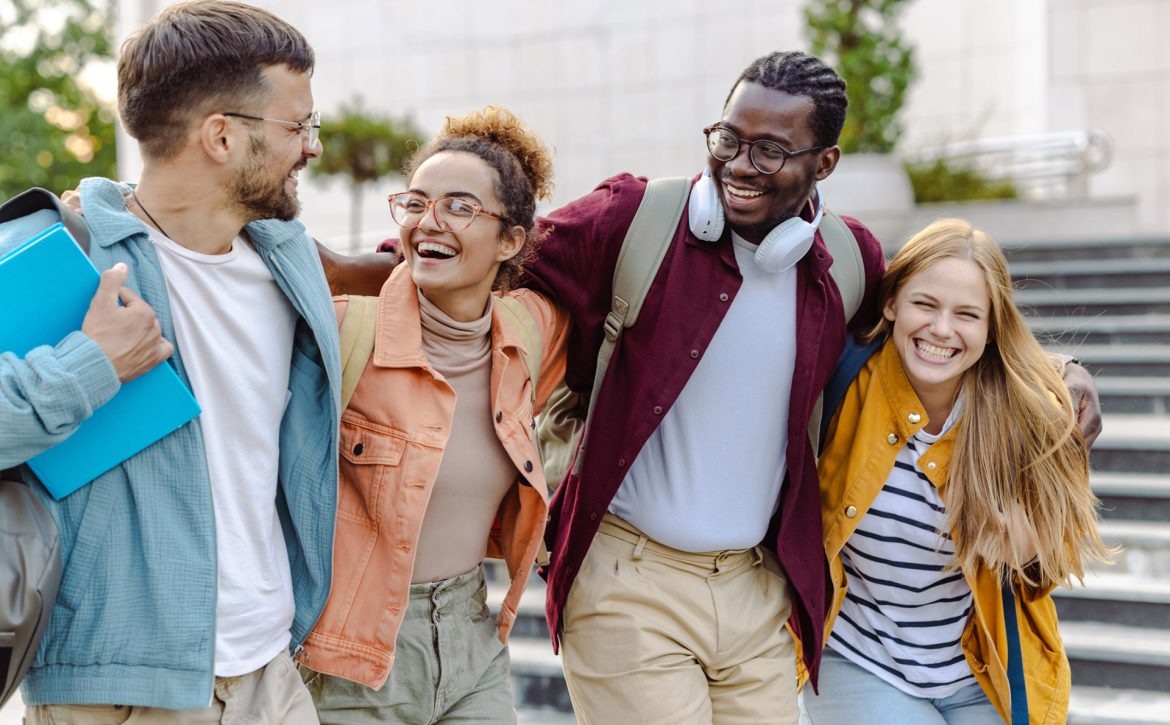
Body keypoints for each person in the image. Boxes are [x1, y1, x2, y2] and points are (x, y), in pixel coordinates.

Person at [317, 50, 1102, 724]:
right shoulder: (636, 218)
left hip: (757, 591)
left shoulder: (848, 260)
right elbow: (484, 257)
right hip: (630, 581)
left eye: (771, 150)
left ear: (824, 163)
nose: (739, 164)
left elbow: (940, 316)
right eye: (728, 138)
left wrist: (1056, 375)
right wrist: (357, 263)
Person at [0, 2, 339, 722]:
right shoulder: (61, 255)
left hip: (270, 676)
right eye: (297, 126)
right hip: (116, 690)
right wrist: (90, 364)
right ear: (221, 135)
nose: (310, 147)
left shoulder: (290, 261)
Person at [297, 107, 569, 724]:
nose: (429, 222)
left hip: (474, 638)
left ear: (511, 241)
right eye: (416, 203)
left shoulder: (531, 332)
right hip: (352, 655)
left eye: (460, 207)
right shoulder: (344, 331)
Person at [802, 218, 1110, 723]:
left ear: (991, 329)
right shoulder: (844, 382)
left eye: (967, 314)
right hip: (861, 659)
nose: (941, 329)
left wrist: (1023, 540)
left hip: (981, 668)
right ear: (891, 304)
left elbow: (1041, 571)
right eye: (925, 304)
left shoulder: (1028, 418)